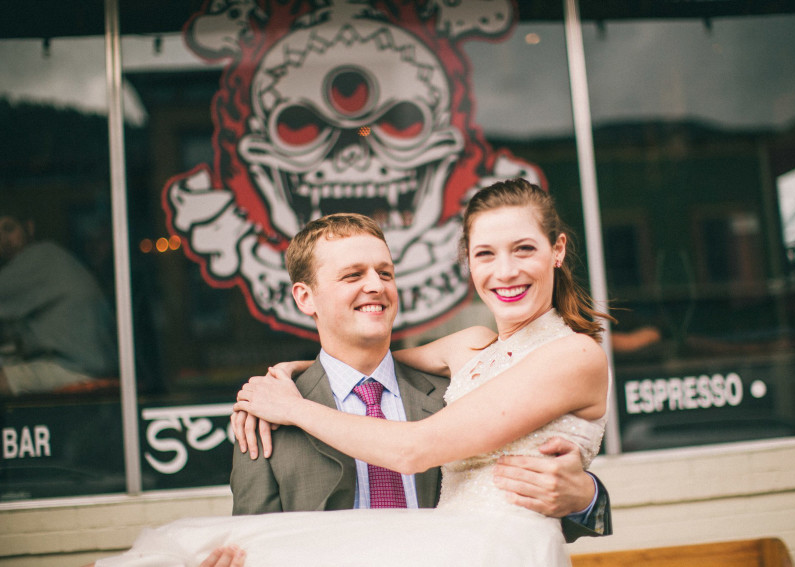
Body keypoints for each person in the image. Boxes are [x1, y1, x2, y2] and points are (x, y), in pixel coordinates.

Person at [97, 179, 611, 566]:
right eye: (352, 275)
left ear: (557, 250)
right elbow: (251, 537)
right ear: (305, 298)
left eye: (385, 272)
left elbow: (415, 449)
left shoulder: (566, 357)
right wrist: (305, 370)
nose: (505, 270)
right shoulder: (471, 350)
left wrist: (586, 497)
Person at [0, 204, 118, 396]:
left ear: (29, 228)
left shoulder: (40, 256)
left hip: (77, 367)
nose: (3, 240)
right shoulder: (51, 257)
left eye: (8, 229)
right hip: (90, 364)